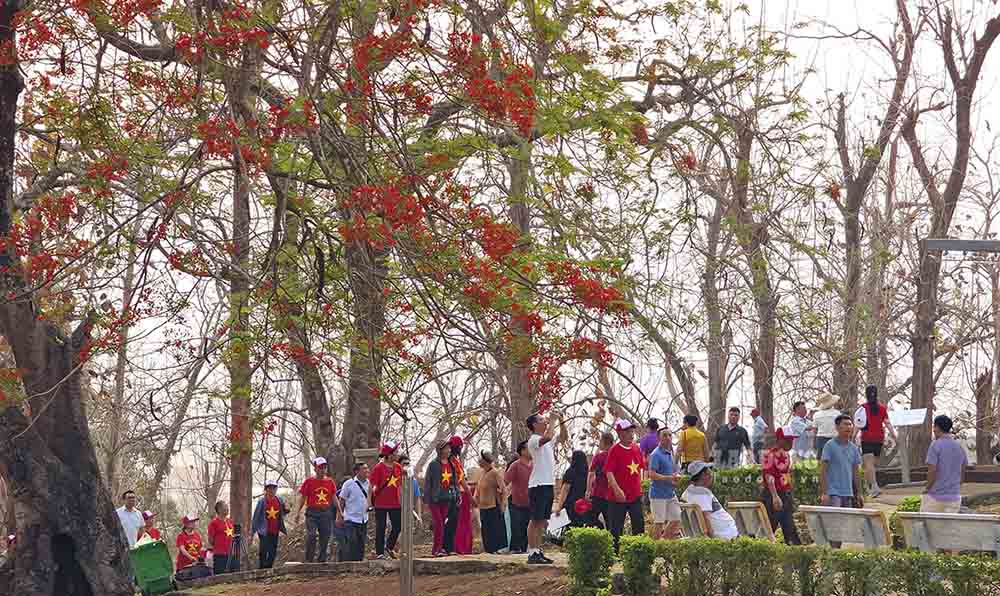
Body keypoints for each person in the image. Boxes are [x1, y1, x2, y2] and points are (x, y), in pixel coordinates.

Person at [525, 411, 567, 565]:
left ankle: (538, 550)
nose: (545, 421)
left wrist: (561, 422)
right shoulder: (534, 440)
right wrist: (554, 419)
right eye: (542, 419)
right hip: (537, 485)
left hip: (548, 484)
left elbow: (563, 438)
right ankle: (532, 551)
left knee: (542, 520)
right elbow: (548, 436)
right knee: (535, 519)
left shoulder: (547, 441)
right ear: (534, 424)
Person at [820, 414, 864, 548]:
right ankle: (833, 553)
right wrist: (824, 492)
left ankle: (836, 552)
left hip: (848, 493)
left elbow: (856, 472)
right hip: (834, 493)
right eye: (845, 424)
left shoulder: (854, 448)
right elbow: (823, 470)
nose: (848, 427)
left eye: (850, 424)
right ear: (837, 427)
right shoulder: (830, 445)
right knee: (835, 525)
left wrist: (859, 493)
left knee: (843, 526)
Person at [605, 419, 646, 553]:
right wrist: (616, 489)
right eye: (627, 431)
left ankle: (638, 553)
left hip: (635, 495)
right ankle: (614, 555)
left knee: (639, 524)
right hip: (617, 497)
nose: (631, 434)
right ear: (620, 434)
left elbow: (642, 469)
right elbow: (609, 472)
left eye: (632, 431)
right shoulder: (614, 450)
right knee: (616, 528)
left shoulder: (636, 448)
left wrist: (642, 486)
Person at [296, 456, 343, 563]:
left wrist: (340, 511)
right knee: (312, 535)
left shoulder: (330, 482)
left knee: (325, 537)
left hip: (326, 512)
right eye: (320, 467)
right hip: (312, 513)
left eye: (324, 467)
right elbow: (302, 497)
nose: (323, 470)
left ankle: (322, 560)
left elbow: (334, 497)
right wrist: (298, 512)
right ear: (315, 468)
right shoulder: (309, 482)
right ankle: (309, 559)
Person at [760, 427, 801, 544]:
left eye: (792, 439)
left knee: (790, 528)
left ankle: (795, 553)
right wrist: (774, 496)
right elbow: (769, 477)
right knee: (770, 527)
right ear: (779, 440)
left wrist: (789, 489)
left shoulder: (787, 455)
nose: (791, 442)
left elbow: (785, 474)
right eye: (787, 440)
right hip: (773, 495)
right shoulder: (769, 455)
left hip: (784, 495)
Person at [854, 385, 896, 497]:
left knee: (868, 464)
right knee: (872, 465)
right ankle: (868, 487)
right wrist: (894, 435)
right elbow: (887, 423)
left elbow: (858, 424)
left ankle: (873, 486)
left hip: (867, 437)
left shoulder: (863, 408)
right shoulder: (882, 408)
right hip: (879, 438)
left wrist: (853, 436)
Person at [921, 415, 968, 513]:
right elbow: (962, 473)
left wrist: (927, 488)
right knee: (949, 527)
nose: (933, 430)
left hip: (936, 497)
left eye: (934, 426)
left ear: (937, 427)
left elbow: (932, 471)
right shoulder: (959, 447)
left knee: (925, 525)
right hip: (954, 498)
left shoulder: (935, 445)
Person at [681, 461, 737, 540]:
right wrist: (711, 539)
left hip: (724, 532)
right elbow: (706, 516)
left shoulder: (687, 492)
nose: (711, 474)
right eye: (709, 471)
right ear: (704, 475)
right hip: (725, 534)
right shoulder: (703, 493)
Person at [425, 441, 460, 556]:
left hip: (447, 498)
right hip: (435, 499)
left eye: (449, 448)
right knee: (439, 523)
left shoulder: (451, 464)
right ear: (440, 451)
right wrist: (427, 499)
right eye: (446, 448)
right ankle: (436, 550)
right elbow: (428, 482)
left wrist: (457, 494)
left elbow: (455, 482)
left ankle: (441, 548)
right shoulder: (433, 465)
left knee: (443, 524)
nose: (449, 450)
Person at [370, 442, 403, 559]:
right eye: (395, 452)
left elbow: (400, 486)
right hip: (381, 503)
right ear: (389, 454)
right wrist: (369, 502)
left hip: (395, 503)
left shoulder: (398, 467)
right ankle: (379, 553)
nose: (397, 454)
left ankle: (389, 546)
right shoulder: (378, 468)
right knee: (381, 527)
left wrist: (402, 500)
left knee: (398, 526)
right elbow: (372, 486)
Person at [648, 428, 682, 539]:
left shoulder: (670, 453)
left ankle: (663, 542)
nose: (668, 438)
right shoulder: (655, 454)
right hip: (658, 494)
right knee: (659, 523)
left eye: (670, 435)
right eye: (665, 435)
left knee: (677, 518)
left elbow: (672, 472)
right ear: (659, 438)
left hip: (670, 493)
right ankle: (656, 549)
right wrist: (669, 478)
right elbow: (652, 474)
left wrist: (675, 478)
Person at [337, 462, 370, 561]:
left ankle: (359, 563)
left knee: (361, 543)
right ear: (357, 471)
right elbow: (341, 500)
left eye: (367, 468)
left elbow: (370, 498)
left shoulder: (369, 483)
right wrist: (339, 516)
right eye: (364, 469)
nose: (367, 471)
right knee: (352, 541)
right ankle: (348, 563)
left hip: (364, 518)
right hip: (350, 519)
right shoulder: (349, 484)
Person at [448, 436, 476, 554]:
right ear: (459, 447)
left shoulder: (447, 461)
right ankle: (461, 547)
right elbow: (462, 482)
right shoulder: (455, 462)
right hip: (461, 495)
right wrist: (471, 496)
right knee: (462, 522)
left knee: (457, 521)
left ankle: (456, 547)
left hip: (453, 493)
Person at [477, 451, 508, 553]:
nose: (478, 461)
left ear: (486, 461)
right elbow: (478, 489)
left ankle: (496, 550)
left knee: (494, 530)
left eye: (480, 459)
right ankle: (488, 550)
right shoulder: (482, 473)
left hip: (493, 505)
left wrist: (503, 504)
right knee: (485, 530)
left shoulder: (495, 473)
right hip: (482, 507)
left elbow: (503, 489)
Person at [504, 441, 532, 554]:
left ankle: (524, 549)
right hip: (515, 501)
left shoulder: (534, 464)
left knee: (527, 525)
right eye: (529, 448)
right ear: (523, 451)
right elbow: (505, 480)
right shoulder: (515, 465)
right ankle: (515, 549)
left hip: (530, 501)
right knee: (516, 525)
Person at [252, 479, 287, 569]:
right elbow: (256, 517)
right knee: (263, 550)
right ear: (266, 489)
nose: (271, 490)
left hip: (275, 530)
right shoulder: (261, 502)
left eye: (273, 488)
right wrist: (252, 531)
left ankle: (269, 568)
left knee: (273, 551)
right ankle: (262, 569)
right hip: (264, 531)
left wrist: (287, 509)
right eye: (269, 488)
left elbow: (283, 512)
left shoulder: (279, 500)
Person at [587, 432, 614, 530]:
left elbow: (591, 474)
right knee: (610, 522)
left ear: (603, 442)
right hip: (612, 495)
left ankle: (599, 530)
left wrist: (588, 490)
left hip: (598, 493)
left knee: (590, 518)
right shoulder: (616, 456)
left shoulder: (598, 457)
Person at [556, 450, 590, 527]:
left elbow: (565, 490)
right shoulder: (586, 473)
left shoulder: (570, 472)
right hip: (582, 505)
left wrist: (559, 506)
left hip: (570, 504)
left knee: (568, 528)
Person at [207, 501, 238, 574]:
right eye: (225, 507)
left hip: (231, 554)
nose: (227, 508)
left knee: (231, 575)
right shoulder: (213, 523)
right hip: (219, 555)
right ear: (219, 509)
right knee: (220, 576)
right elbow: (210, 540)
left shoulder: (230, 521)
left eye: (227, 507)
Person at [812, 393, 841, 457]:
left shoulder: (816, 415)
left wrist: (813, 442)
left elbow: (814, 431)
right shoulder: (837, 414)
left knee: (822, 461)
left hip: (820, 439)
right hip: (834, 439)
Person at [398, 454, 423, 521]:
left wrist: (419, 515)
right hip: (396, 511)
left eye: (408, 464)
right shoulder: (395, 479)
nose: (406, 465)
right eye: (404, 463)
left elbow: (417, 498)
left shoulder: (413, 481)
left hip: (409, 512)